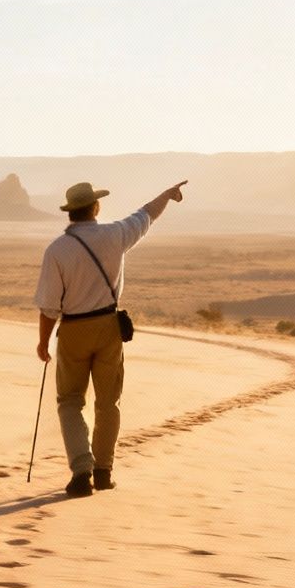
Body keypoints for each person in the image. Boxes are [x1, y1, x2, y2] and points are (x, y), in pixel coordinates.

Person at [33, 180, 187, 497]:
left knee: (70, 402)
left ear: (70, 213)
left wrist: (43, 342)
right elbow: (146, 215)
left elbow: (49, 307)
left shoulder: (56, 250)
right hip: (107, 326)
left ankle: (81, 470)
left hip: (73, 329)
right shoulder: (115, 235)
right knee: (108, 402)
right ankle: (103, 471)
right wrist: (166, 195)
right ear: (96, 207)